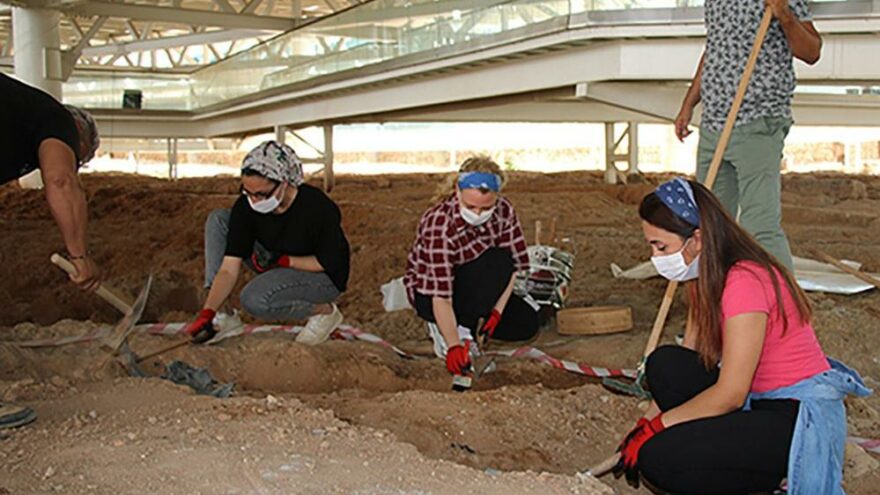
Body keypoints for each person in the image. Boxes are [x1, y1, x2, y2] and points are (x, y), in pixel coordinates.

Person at [611, 178, 870, 494]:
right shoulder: (705, 274)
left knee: (660, 460)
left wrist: (659, 427)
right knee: (665, 364)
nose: (655, 256)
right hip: (756, 400)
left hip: (795, 416)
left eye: (660, 246)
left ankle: (767, 476)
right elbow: (691, 352)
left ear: (697, 239)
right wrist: (645, 423)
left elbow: (731, 393)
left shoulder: (744, 280)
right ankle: (736, 458)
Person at [675, 0, 822, 272]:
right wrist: (688, 104)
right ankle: (723, 305)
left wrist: (785, 17)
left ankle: (785, 308)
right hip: (713, 124)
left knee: (760, 227)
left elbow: (812, 52)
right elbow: (714, 50)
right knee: (711, 225)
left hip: (757, 121)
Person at [0, 73, 102, 430]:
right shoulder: (56, 118)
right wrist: (79, 255)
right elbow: (61, 181)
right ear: (79, 134)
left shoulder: (18, 116)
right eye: (79, 156)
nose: (75, 161)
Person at [184, 141, 350, 346]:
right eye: (248, 192)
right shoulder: (247, 207)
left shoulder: (317, 208)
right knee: (219, 219)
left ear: (284, 183)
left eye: (262, 194)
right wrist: (208, 311)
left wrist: (283, 260)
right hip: (273, 262)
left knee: (254, 300)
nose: (254, 200)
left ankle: (324, 313)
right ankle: (225, 317)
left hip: (320, 275)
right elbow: (228, 269)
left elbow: (327, 263)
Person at [404, 156, 539, 377]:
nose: (477, 214)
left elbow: (513, 267)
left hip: (477, 288)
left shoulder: (504, 211)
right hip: (434, 295)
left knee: (525, 323)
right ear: (457, 191)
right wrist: (454, 346)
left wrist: (497, 312)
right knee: (493, 261)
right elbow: (441, 295)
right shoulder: (439, 222)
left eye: (486, 207)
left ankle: (468, 327)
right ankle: (454, 332)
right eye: (470, 206)